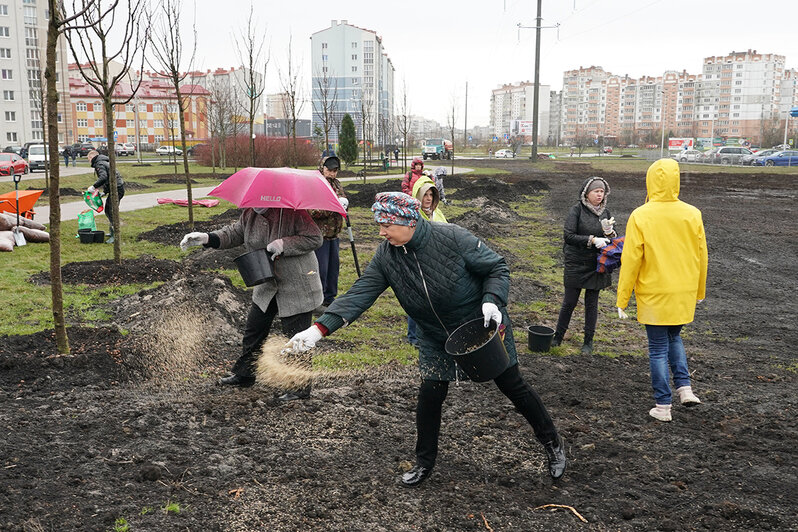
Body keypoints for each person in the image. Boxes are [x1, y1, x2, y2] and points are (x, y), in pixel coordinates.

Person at [286, 192, 566, 486]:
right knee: (431, 394)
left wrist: (492, 300)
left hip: (481, 325)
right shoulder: (386, 256)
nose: (381, 232)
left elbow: (497, 267)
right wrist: (317, 330)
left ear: (410, 222)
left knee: (512, 385)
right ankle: (424, 462)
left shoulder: (453, 238)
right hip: (434, 335)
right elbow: (360, 294)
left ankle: (552, 444)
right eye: (379, 225)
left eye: (386, 225)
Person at [179, 207, 324, 401]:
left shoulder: (294, 213)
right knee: (254, 328)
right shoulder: (250, 213)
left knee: (296, 336)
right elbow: (234, 233)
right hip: (267, 280)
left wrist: (284, 244)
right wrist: (206, 238)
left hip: (296, 283)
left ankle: (299, 387)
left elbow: (315, 238)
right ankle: (245, 374)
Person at [616, 159, 706, 422]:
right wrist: (699, 290)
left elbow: (631, 260)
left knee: (657, 348)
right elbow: (703, 255)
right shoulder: (692, 213)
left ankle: (663, 406)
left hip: (655, 293)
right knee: (674, 338)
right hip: (683, 292)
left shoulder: (641, 215)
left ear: (650, 180)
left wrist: (623, 298)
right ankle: (685, 389)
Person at [551, 176, 616, 354]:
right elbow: (568, 236)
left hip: (596, 265)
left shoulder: (606, 213)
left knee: (591, 303)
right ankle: (558, 337)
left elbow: (611, 240)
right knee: (570, 302)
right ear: (587, 193)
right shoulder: (576, 210)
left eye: (602, 192)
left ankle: (588, 342)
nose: (599, 195)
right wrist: (592, 240)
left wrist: (610, 234)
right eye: (596, 191)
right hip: (576, 262)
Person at [309, 156, 348, 311]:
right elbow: (311, 209)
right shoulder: (315, 184)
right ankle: (317, 301)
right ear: (322, 167)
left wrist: (344, 203)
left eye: (335, 171)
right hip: (320, 235)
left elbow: (342, 199)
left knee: (333, 268)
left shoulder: (336, 184)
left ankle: (330, 298)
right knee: (321, 268)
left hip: (334, 234)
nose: (332, 174)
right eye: (329, 170)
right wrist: (333, 207)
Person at [86, 150, 125, 243]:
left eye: (88, 159)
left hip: (116, 189)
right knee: (109, 209)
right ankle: (113, 231)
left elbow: (103, 177)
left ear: (91, 158)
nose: (89, 162)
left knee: (110, 210)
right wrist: (105, 192)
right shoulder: (104, 162)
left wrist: (94, 186)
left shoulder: (99, 164)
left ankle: (115, 235)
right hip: (116, 188)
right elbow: (109, 178)